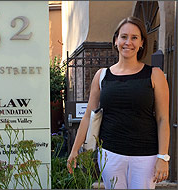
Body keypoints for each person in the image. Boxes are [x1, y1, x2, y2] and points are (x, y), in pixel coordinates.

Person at [67, 16, 170, 189]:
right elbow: (88, 116)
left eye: (134, 37)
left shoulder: (155, 75)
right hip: (110, 155)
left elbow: (162, 119)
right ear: (116, 40)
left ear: (142, 43)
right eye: (123, 37)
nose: (128, 42)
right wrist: (75, 149)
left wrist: (163, 157)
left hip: (145, 157)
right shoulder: (102, 76)